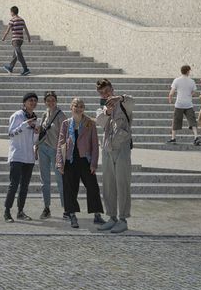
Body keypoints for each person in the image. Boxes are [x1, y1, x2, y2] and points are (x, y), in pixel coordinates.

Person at [57, 97, 103, 229]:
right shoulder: (66, 123)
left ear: (84, 108)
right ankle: (72, 215)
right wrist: (60, 163)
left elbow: (94, 145)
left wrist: (94, 163)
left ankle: (97, 214)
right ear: (71, 108)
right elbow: (60, 143)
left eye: (81, 106)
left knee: (93, 187)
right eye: (76, 106)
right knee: (69, 189)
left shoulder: (89, 123)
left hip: (85, 160)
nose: (78, 108)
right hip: (70, 160)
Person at [95, 79, 133, 232]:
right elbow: (101, 122)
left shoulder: (124, 103)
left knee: (122, 183)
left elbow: (133, 102)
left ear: (112, 89)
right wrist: (107, 112)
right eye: (102, 93)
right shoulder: (101, 108)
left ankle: (123, 218)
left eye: (107, 91)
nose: (105, 94)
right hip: (107, 149)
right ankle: (112, 217)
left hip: (122, 147)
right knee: (108, 184)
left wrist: (120, 98)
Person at [4, 92, 39, 222]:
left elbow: (34, 140)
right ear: (24, 102)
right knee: (14, 185)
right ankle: (7, 211)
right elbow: (11, 133)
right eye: (30, 100)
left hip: (29, 157)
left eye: (35, 101)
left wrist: (36, 132)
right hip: (17, 155)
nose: (33, 103)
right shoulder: (17, 115)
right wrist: (25, 125)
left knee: (25, 186)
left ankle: (20, 211)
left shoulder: (35, 118)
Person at [35, 90, 66, 219]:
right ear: (45, 102)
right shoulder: (44, 114)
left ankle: (66, 208)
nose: (51, 102)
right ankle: (46, 207)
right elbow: (41, 132)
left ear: (56, 101)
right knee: (44, 180)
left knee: (60, 180)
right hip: (43, 148)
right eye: (48, 100)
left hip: (55, 150)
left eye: (53, 100)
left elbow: (65, 134)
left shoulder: (60, 115)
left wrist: (61, 152)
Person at [168, 64, 197, 144]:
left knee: (176, 121)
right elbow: (194, 93)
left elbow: (171, 93)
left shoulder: (177, 80)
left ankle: (173, 138)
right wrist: (190, 94)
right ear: (188, 71)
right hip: (188, 104)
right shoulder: (192, 81)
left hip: (179, 104)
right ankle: (196, 137)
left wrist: (170, 99)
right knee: (192, 121)